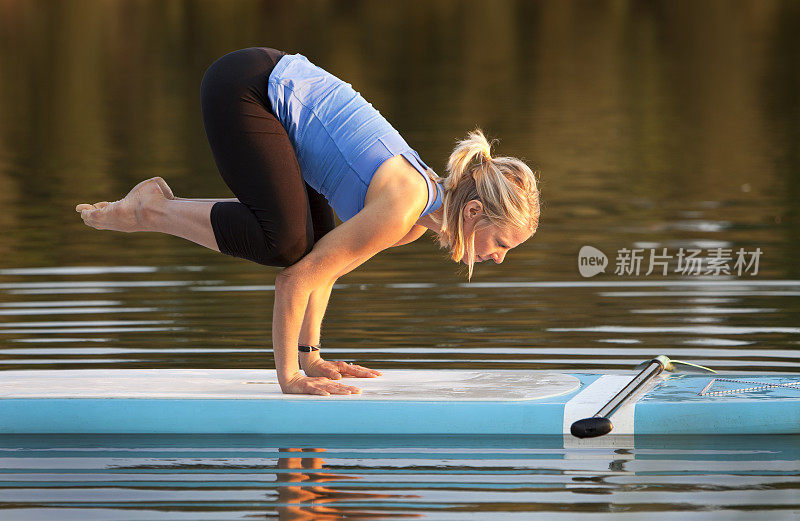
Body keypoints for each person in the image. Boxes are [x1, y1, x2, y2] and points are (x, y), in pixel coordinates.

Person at [75, 47, 540, 396]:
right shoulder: (404, 206)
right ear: (475, 213)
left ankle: (153, 208)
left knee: (304, 245)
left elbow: (325, 268)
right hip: (246, 87)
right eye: (500, 243)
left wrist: (311, 358)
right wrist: (291, 379)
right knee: (283, 244)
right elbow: (293, 283)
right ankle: (150, 209)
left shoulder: (415, 219)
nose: (497, 257)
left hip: (266, 85)